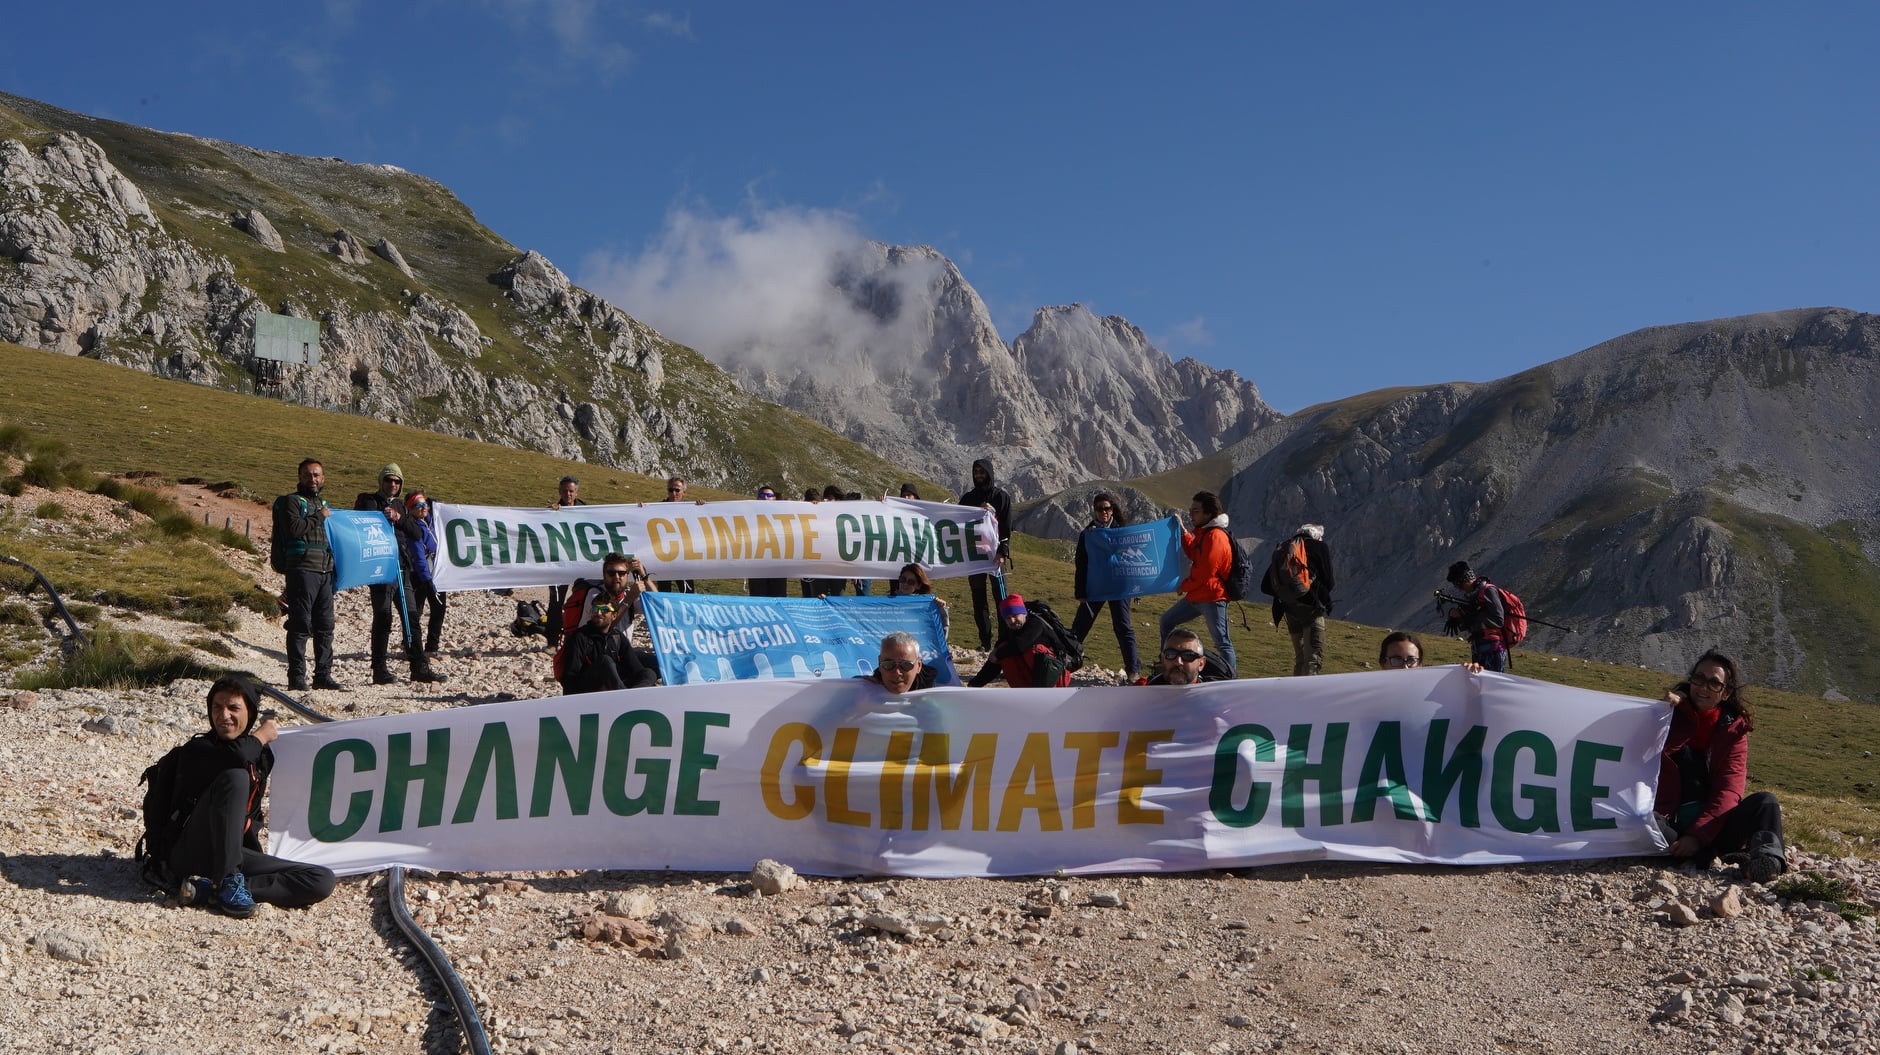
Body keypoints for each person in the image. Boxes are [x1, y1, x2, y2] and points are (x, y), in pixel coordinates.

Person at [159, 677, 337, 916]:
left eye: (233, 708)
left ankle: (208, 891)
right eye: (216, 707)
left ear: (250, 712)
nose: (224, 715)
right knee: (235, 778)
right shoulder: (197, 750)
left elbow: (246, 756)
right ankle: (228, 882)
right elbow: (237, 757)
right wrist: (262, 735)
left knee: (321, 879)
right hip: (190, 852)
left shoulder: (259, 757)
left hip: (233, 853)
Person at [1656, 651, 1787, 883]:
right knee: (1648, 822)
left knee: (1766, 803)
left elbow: (1729, 791)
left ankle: (1767, 861)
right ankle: (1714, 857)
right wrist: (1666, 709)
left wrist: (1697, 836)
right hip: (1669, 823)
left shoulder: (1734, 732)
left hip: (1716, 828)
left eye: (1714, 683)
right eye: (1698, 679)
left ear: (1725, 693)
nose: (1703, 687)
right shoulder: (1667, 715)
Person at [355, 464, 444, 685]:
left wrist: (399, 519)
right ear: (381, 481)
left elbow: (415, 533)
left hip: (403, 568)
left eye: (397, 481)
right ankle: (379, 670)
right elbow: (358, 522)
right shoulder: (369, 501)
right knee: (383, 618)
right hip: (381, 569)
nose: (392, 484)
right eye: (389, 480)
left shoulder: (400, 506)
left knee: (411, 617)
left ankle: (419, 667)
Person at [273, 458, 341, 691]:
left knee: (325, 625)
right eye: (307, 475)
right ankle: (297, 678)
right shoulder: (293, 502)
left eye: (316, 475)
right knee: (300, 624)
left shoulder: (323, 503)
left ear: (323, 478)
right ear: (299, 477)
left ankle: (323, 676)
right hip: (302, 571)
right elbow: (295, 530)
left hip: (325, 572)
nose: (312, 479)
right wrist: (320, 516)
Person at [1158, 491, 1237, 678]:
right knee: (1167, 620)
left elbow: (1205, 573)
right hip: (1198, 595)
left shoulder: (1215, 537)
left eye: (1195, 511)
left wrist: (1183, 586)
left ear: (1208, 514)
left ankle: (1231, 679)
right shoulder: (1205, 534)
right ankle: (1168, 663)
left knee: (1222, 642)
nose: (1191, 514)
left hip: (1212, 597)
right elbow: (1194, 552)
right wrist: (1184, 532)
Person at [560, 553, 659, 693]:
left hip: (618, 651)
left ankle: (635, 697)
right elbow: (606, 627)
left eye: (621, 573)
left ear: (627, 575)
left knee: (652, 669)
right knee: (606, 662)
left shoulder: (628, 596)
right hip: (593, 665)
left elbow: (657, 606)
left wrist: (644, 576)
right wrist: (629, 599)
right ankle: (622, 698)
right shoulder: (595, 596)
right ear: (604, 575)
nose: (617, 577)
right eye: (611, 573)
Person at [1071, 491, 1141, 683]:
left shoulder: (1122, 532)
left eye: (1107, 508)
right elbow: (1081, 564)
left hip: (1119, 587)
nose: (1104, 512)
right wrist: (1080, 592)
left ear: (1112, 510)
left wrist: (1136, 586)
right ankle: (1065, 661)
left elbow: (1131, 559)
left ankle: (1133, 670)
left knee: (1123, 626)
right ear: (1094, 511)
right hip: (1096, 586)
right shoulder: (1087, 534)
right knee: (1081, 624)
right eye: (1100, 508)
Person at [1263, 523, 1335, 676]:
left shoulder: (1285, 548)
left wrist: (1288, 594)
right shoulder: (1319, 547)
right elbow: (1329, 581)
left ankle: (1294, 695)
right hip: (1311, 609)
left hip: (1289, 609)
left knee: (1300, 659)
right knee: (1313, 659)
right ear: (1317, 536)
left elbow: (1265, 585)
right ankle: (1307, 697)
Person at [959, 459, 1014, 650]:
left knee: (1001, 598)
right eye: (976, 472)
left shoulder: (1001, 497)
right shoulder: (967, 499)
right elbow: (957, 523)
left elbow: (1006, 528)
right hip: (974, 556)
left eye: (982, 472)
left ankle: (1004, 640)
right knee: (978, 598)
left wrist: (1002, 552)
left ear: (989, 473)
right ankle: (985, 641)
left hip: (995, 556)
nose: (979, 475)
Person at [968, 594, 1072, 688]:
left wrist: (998, 654)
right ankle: (1024, 693)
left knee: (1030, 650)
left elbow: (1020, 646)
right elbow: (994, 660)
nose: (1012, 621)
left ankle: (1039, 694)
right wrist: (974, 685)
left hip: (1056, 677)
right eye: (1008, 618)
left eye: (1015, 616)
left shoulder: (1036, 624)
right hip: (1036, 678)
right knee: (1004, 650)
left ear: (1024, 613)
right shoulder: (1011, 630)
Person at [1444, 561, 1509, 673]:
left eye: (1458, 585)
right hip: (1479, 647)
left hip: (1493, 648)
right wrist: (1457, 617)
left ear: (1465, 580)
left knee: (1491, 687)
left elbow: (1498, 620)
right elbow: (1473, 620)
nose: (1459, 589)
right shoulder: (1474, 595)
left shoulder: (1488, 591)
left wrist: (1469, 615)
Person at [403, 491, 446, 654]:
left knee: (439, 609)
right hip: (421, 576)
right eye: (417, 505)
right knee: (416, 611)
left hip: (436, 573)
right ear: (409, 509)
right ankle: (412, 646)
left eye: (424, 504)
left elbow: (436, 516)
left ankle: (431, 647)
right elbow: (419, 556)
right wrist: (427, 580)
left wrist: (433, 505)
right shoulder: (413, 528)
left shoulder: (428, 522)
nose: (422, 508)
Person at [546, 475, 585, 649]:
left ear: (576, 492)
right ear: (559, 492)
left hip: (582, 564)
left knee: (583, 600)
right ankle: (552, 642)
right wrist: (549, 513)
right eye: (564, 491)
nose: (568, 494)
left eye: (571, 491)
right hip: (559, 564)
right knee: (556, 601)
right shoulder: (552, 510)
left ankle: (579, 640)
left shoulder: (589, 510)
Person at [857, 631, 938, 693]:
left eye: (906, 665)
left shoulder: (933, 692)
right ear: (879, 663)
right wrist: (855, 685)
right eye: (888, 665)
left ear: (919, 666)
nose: (897, 672)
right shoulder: (872, 686)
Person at [662, 475, 704, 594]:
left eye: (677, 490)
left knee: (688, 592)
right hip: (662, 556)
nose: (673, 493)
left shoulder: (691, 508)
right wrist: (642, 508)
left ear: (684, 492)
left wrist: (702, 508)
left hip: (683, 557)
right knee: (664, 591)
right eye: (671, 490)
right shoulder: (657, 508)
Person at [746, 485, 790, 598]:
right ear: (757, 498)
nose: (766, 498)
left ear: (775, 498)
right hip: (757, 568)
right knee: (758, 602)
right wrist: (701, 507)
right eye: (762, 495)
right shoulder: (747, 514)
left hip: (778, 567)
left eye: (769, 495)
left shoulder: (785, 513)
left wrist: (813, 505)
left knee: (778, 600)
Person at [1145, 628, 1231, 686]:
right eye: (1170, 654)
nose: (1178, 661)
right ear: (1163, 659)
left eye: (1188, 656)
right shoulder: (1147, 694)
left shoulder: (1216, 698)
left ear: (1201, 663)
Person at [889, 563, 950, 637]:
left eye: (911, 582)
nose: (905, 584)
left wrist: (941, 610)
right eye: (903, 579)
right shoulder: (887, 603)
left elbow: (941, 635)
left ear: (918, 585)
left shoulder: (927, 606)